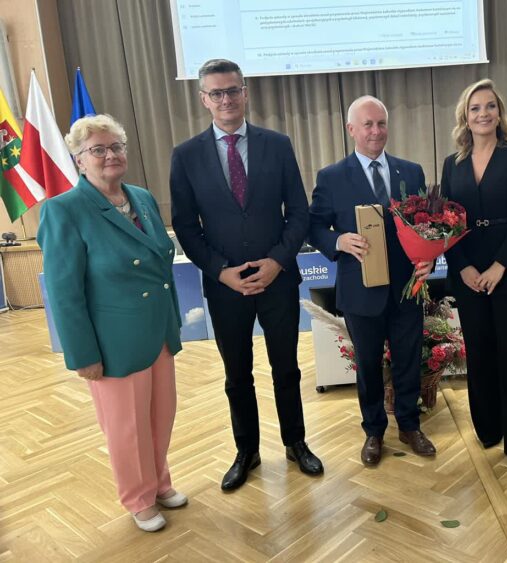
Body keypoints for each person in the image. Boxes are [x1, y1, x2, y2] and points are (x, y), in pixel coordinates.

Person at [170, 59, 322, 490]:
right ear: (204, 99)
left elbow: (298, 212)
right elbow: (186, 226)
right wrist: (221, 272)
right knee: (237, 376)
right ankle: (247, 451)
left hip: (278, 279)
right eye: (216, 93)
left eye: (232, 90)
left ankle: (295, 442)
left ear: (245, 92)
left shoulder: (278, 145)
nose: (226, 99)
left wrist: (276, 262)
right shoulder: (186, 156)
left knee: (286, 368)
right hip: (226, 287)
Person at [37, 114, 186, 532]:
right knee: (127, 427)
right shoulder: (64, 210)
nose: (110, 156)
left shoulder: (141, 197)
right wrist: (82, 355)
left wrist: (173, 323)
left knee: (160, 416)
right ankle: (138, 498)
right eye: (97, 150)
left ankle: (159, 482)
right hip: (113, 342)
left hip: (157, 332)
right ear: (79, 160)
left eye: (116, 147)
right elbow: (64, 293)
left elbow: (161, 266)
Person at [309, 95, 436, 467]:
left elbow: (428, 225)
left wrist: (430, 255)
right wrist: (338, 241)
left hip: (407, 288)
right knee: (367, 366)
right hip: (360, 292)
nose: (376, 131)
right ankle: (374, 431)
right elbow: (314, 227)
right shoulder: (331, 177)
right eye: (367, 124)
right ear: (351, 129)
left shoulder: (411, 172)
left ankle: (410, 425)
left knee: (409, 361)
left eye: (381, 123)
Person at [440, 79, 507, 474]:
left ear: (499, 113)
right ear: (464, 117)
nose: (483, 114)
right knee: (480, 355)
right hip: (468, 272)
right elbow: (446, 222)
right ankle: (488, 429)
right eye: (475, 108)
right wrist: (463, 266)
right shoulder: (453, 164)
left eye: (490, 106)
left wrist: (500, 266)